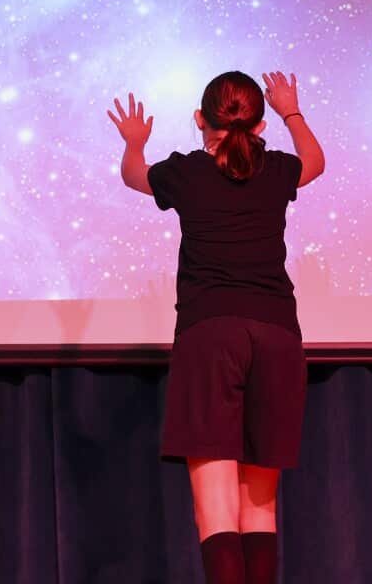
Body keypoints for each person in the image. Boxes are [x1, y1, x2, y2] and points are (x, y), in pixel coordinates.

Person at [107, 70, 325, 584]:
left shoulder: (185, 173)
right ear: (262, 124)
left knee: (216, 511)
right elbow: (315, 163)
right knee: (260, 509)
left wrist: (135, 142)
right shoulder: (275, 169)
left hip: (210, 336)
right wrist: (293, 110)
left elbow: (135, 176)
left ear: (199, 120)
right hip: (276, 337)